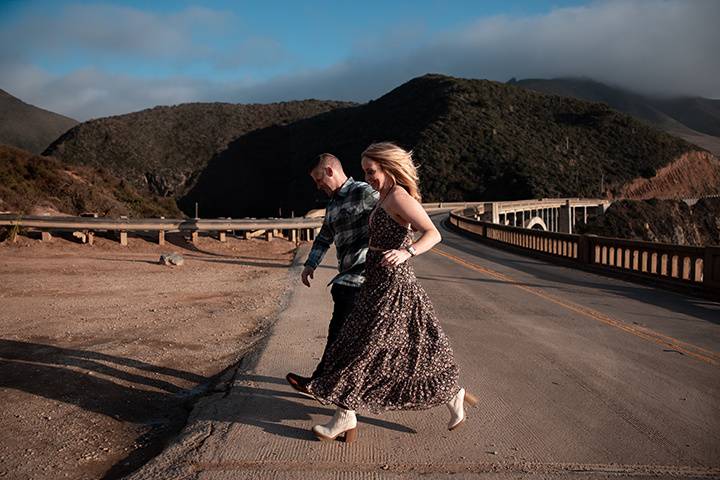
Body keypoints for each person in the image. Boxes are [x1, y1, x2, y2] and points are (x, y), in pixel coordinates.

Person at [306, 142, 476, 444]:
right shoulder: (382, 196)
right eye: (365, 172)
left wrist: (406, 252)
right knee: (396, 349)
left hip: (394, 285)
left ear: (387, 167)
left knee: (366, 349)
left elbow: (433, 233)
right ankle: (453, 395)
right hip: (374, 282)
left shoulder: (398, 196)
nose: (368, 177)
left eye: (371, 171)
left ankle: (345, 415)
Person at [286, 153, 379, 396]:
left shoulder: (363, 192)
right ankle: (329, 385)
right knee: (347, 337)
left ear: (329, 171)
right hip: (346, 278)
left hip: (362, 279)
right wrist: (310, 264)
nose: (318, 186)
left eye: (318, 180)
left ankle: (321, 384)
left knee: (340, 333)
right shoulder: (333, 204)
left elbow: (392, 218)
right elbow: (325, 236)